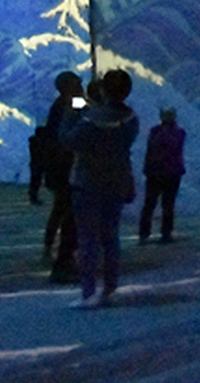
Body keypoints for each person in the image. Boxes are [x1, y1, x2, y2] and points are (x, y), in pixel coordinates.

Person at [59, 68, 139, 308]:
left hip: (88, 182)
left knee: (88, 239)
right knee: (111, 237)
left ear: (103, 90)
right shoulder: (131, 118)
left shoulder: (91, 120)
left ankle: (89, 292)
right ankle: (110, 288)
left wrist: (71, 112)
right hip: (118, 180)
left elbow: (67, 140)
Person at [41, 71, 83, 283]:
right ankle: (65, 258)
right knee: (68, 212)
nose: (81, 86)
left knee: (60, 210)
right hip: (66, 168)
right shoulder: (68, 105)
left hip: (60, 169)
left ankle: (51, 247)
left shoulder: (60, 105)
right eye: (77, 83)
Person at [139, 107, 186, 244]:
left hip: (171, 172)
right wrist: (147, 167)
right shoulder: (155, 131)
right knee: (150, 204)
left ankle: (166, 233)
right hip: (156, 172)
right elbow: (150, 149)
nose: (167, 118)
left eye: (170, 115)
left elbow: (173, 146)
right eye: (165, 115)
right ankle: (144, 233)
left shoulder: (178, 132)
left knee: (168, 204)